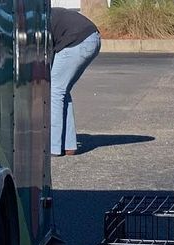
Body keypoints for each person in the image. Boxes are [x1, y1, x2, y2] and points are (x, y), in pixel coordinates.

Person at [50, 8, 101, 157]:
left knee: (55, 90)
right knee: (61, 91)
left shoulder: (37, 24)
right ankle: (69, 145)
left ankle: (53, 147)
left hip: (78, 42)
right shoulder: (45, 15)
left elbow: (44, 55)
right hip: (92, 38)